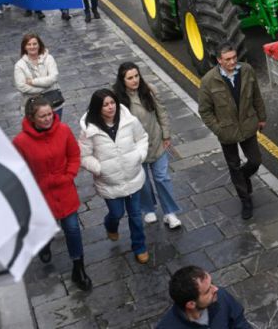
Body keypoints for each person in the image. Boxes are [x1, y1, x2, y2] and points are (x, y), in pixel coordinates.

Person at [12, 95, 92, 291]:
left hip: (64, 190)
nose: (48, 118)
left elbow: (74, 155)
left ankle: (78, 267)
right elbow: (19, 170)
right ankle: (45, 244)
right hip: (41, 196)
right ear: (32, 118)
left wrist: (69, 174)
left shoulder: (63, 130)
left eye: (50, 114)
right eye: (43, 116)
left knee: (72, 229)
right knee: (47, 227)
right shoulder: (20, 141)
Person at [78, 89, 151, 264]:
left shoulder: (130, 121)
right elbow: (83, 155)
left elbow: (142, 138)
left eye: (112, 103)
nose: (110, 107)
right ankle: (110, 225)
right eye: (105, 105)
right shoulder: (89, 130)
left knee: (135, 216)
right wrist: (98, 168)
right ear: (98, 108)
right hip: (109, 181)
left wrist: (139, 156)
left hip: (133, 176)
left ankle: (139, 246)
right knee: (116, 213)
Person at [198, 43, 266, 220]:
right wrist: (217, 129)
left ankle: (242, 177)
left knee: (255, 160)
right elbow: (205, 111)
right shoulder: (208, 81)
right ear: (219, 60)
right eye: (228, 59)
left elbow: (256, 95)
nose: (232, 62)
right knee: (233, 165)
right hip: (226, 131)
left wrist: (261, 117)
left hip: (247, 124)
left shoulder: (247, 70)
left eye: (234, 58)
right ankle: (245, 200)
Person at [113, 62, 182, 230]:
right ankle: (148, 208)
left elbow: (162, 112)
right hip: (135, 148)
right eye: (130, 78)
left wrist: (166, 134)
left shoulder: (149, 90)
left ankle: (170, 212)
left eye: (136, 76)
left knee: (162, 178)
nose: (135, 80)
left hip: (157, 141)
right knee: (142, 181)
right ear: (122, 80)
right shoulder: (117, 98)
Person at [157, 266, 248, 329]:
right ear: (191, 304)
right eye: (208, 291)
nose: (216, 289)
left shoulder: (221, 297)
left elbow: (239, 322)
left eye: (212, 283)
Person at [14, 32, 64, 116]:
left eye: (34, 44)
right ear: (24, 47)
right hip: (33, 109)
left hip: (53, 105)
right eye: (29, 44)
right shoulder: (19, 65)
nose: (32, 47)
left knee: (56, 128)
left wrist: (33, 82)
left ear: (39, 45)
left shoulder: (49, 58)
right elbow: (22, 87)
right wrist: (47, 87)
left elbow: (53, 77)